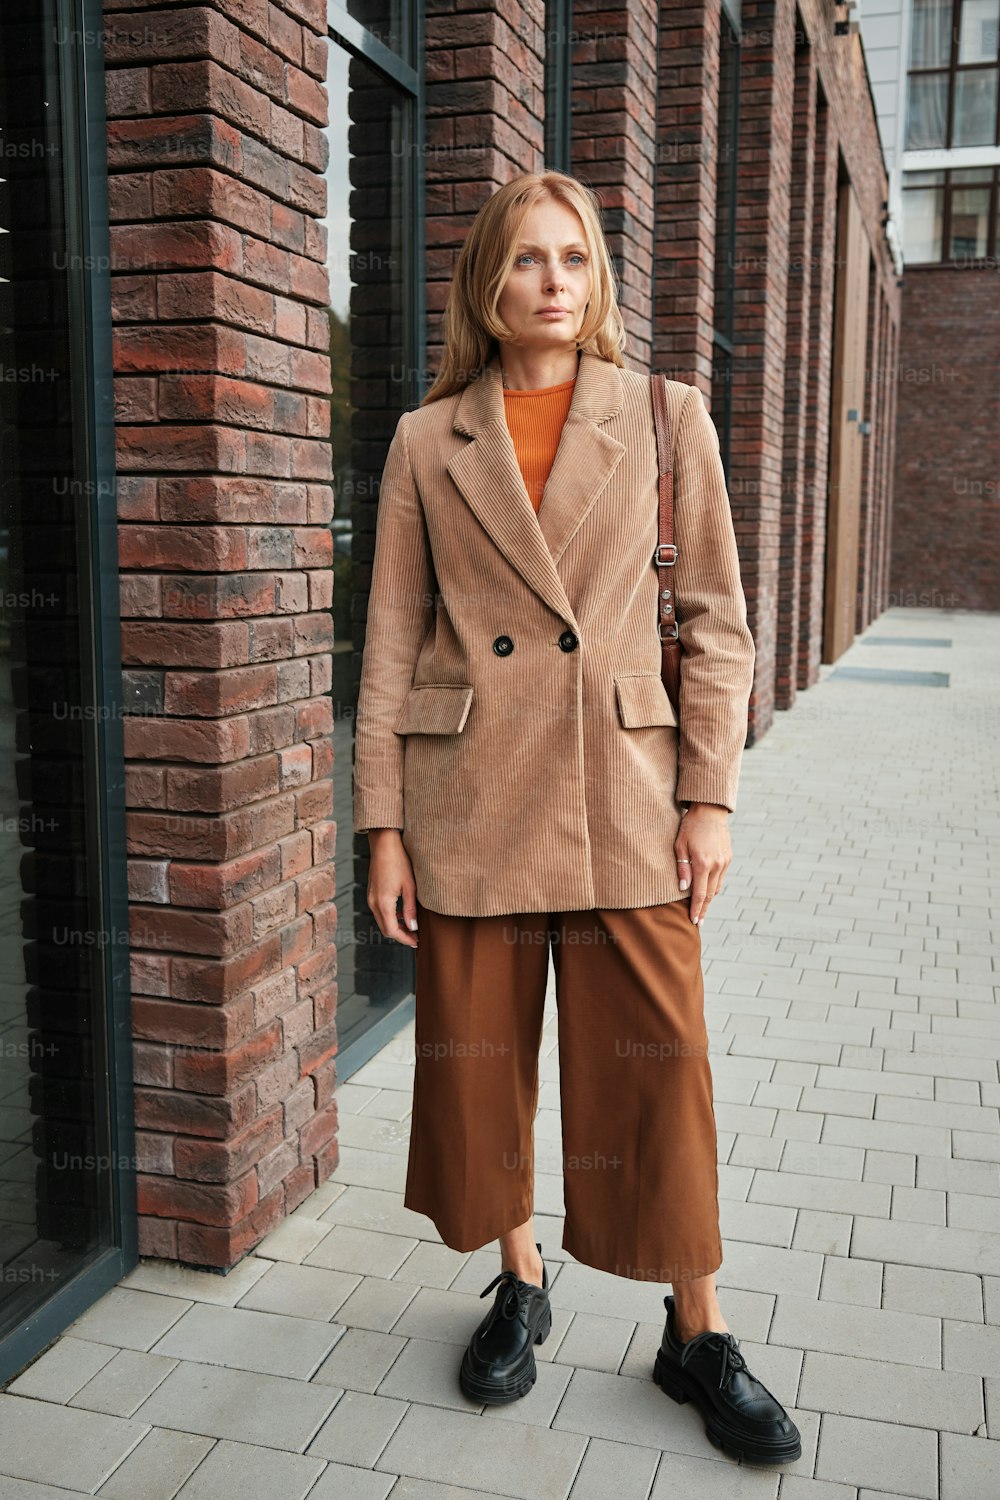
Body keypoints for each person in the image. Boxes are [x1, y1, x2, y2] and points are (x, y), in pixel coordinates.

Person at [352, 170, 801, 1466]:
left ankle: (695, 1329)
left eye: (575, 257)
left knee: (662, 1073)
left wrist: (711, 796)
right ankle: (520, 1276)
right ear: (485, 286)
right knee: (482, 1066)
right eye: (527, 259)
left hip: (627, 799)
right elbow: (390, 642)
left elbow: (717, 629)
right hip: (470, 795)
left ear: (596, 278)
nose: (555, 279)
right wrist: (382, 825)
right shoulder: (427, 440)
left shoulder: (666, 419)